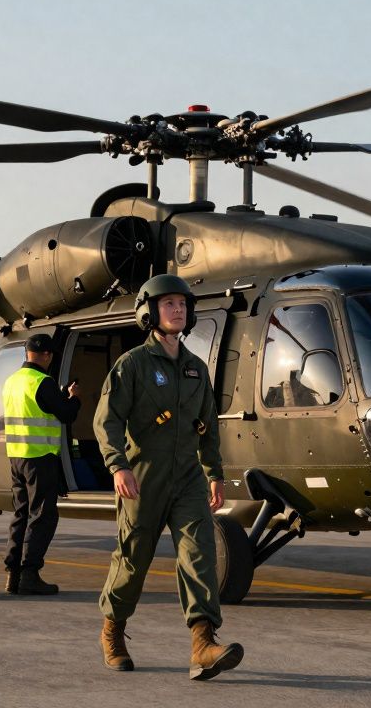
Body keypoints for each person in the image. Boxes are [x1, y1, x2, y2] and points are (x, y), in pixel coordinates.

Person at [94, 274, 243, 681]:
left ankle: (203, 643)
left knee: (200, 556)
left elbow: (208, 424)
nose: (178, 310)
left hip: (188, 478)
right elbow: (106, 419)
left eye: (182, 304)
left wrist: (214, 473)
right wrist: (118, 465)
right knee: (133, 560)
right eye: (169, 304)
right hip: (143, 476)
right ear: (149, 312)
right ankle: (113, 630)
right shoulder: (133, 365)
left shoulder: (196, 368)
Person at [3, 333, 79, 596]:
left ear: (26, 354)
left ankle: (12, 573)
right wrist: (73, 397)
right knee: (43, 515)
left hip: (16, 457)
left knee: (21, 514)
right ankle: (30, 573)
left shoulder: (12, 382)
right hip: (40, 458)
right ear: (47, 356)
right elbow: (67, 414)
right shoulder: (42, 382)